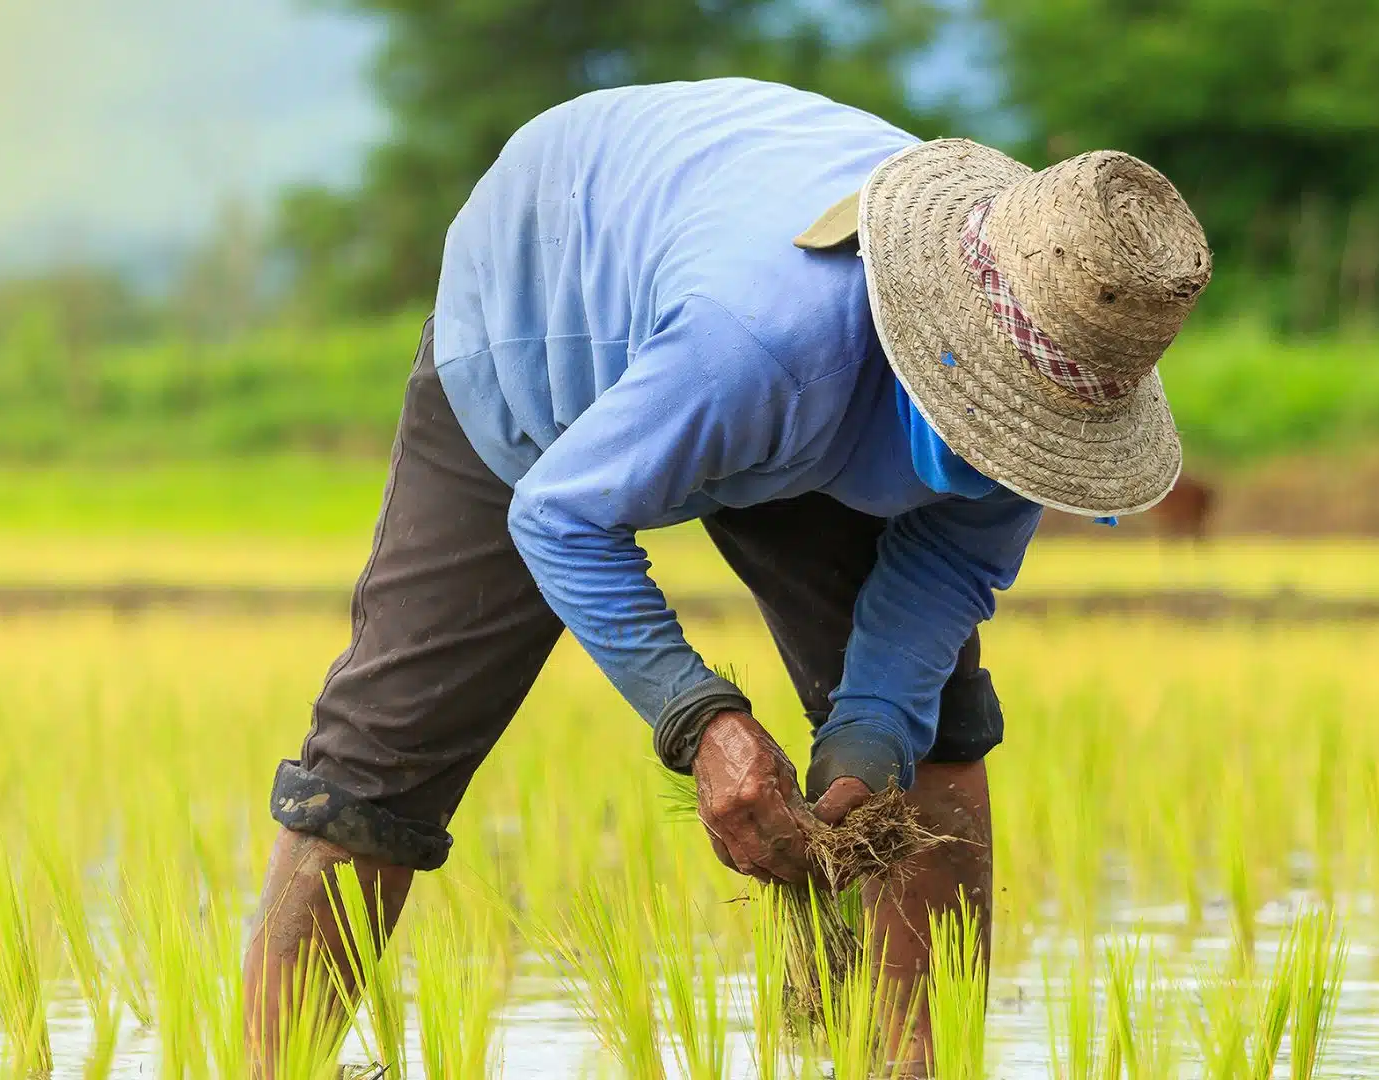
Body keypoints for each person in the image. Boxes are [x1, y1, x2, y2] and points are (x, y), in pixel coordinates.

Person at [245, 77, 1211, 1066]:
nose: (1018, 449)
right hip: (552, 306)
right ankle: (271, 1064)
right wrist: (703, 723)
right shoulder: (762, 342)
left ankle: (916, 1059)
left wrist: (871, 734)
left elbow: (946, 572)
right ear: (943, 351)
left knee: (932, 734)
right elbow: (562, 514)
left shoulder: (1059, 366)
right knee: (389, 748)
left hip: (797, 378)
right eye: (1004, 421)